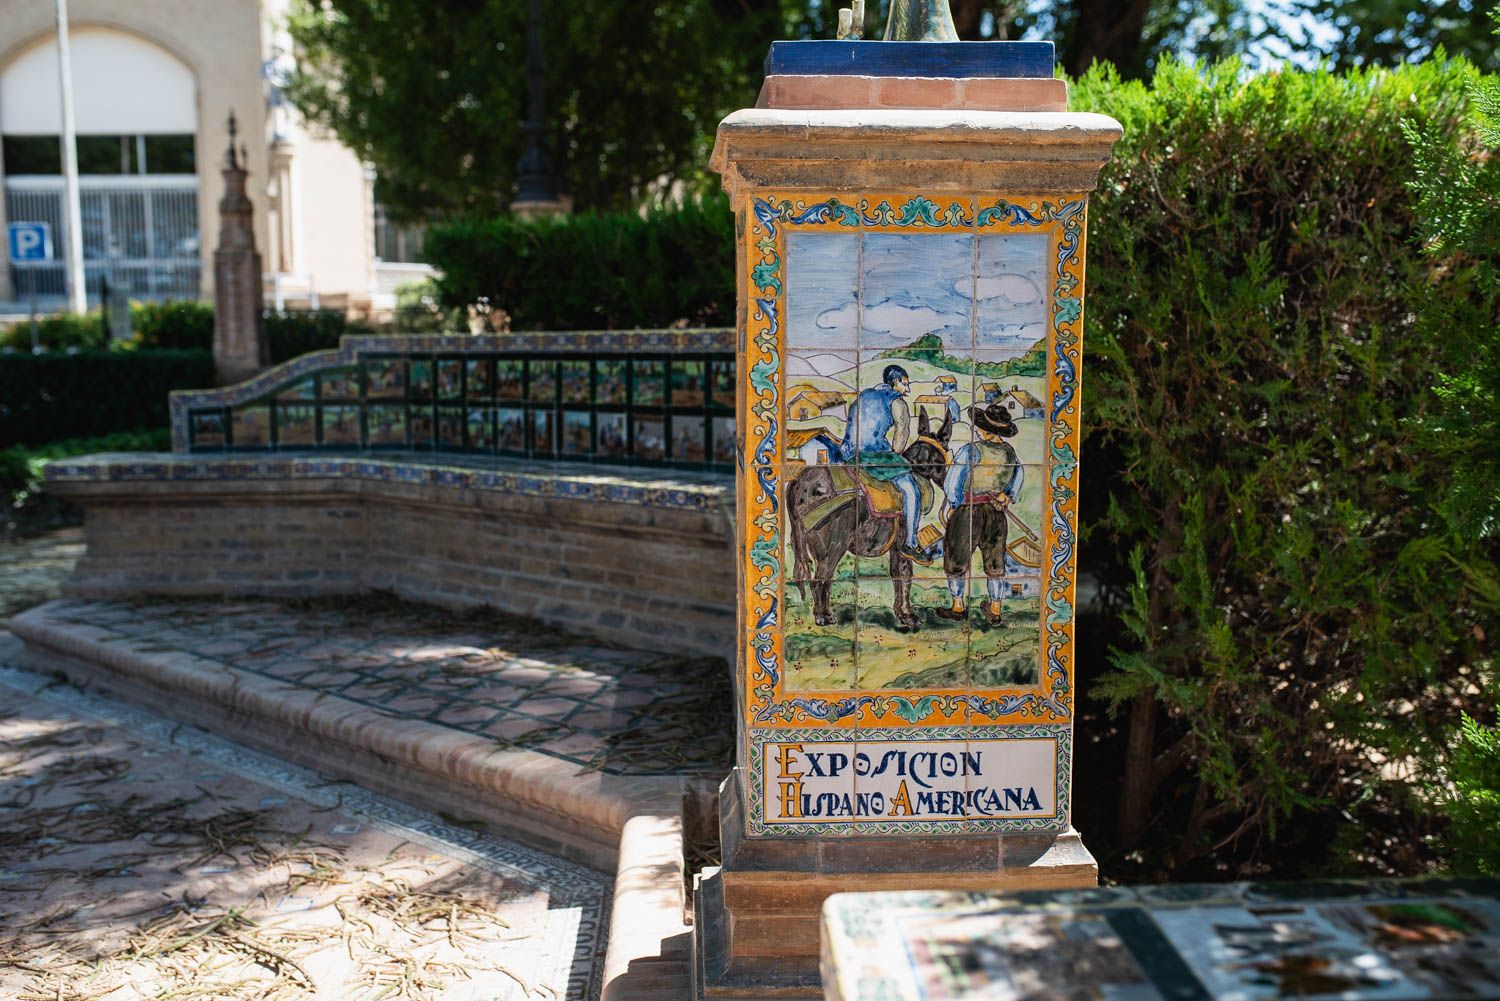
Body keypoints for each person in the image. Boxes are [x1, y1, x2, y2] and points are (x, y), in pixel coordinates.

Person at [937, 402, 1024, 622]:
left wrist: (954, 505)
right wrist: (1008, 496)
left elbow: (953, 481)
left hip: (969, 510)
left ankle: (958, 607)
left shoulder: (971, 450)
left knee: (956, 558)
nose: (977, 429)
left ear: (987, 430)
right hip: (996, 513)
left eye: (980, 426)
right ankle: (995, 609)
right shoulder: (1010, 453)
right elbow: (1019, 475)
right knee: (995, 561)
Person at [838, 364, 934, 562]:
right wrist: (896, 455)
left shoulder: (863, 396)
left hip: (849, 455)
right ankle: (911, 543)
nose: (907, 389)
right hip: (873, 457)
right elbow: (902, 432)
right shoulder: (897, 402)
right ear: (895, 382)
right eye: (905, 384)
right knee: (911, 489)